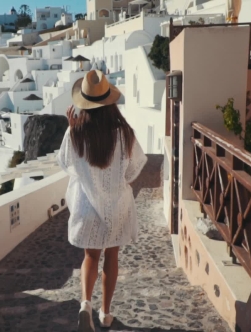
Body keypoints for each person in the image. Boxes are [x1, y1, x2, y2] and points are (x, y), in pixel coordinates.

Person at [57, 70, 147, 331]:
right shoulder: (124, 133)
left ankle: (85, 303)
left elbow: (65, 164)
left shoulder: (75, 132)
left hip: (87, 207)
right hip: (118, 206)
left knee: (90, 257)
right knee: (112, 256)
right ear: (110, 101)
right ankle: (105, 314)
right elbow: (133, 170)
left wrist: (71, 130)